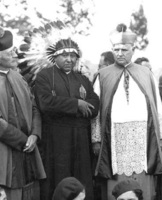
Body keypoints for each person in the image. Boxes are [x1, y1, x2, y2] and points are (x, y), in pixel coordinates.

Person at [91, 23, 162, 200]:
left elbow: (157, 107)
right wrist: (96, 138)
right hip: (114, 135)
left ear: (133, 49)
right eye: (116, 49)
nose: (120, 53)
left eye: (124, 49)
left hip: (142, 135)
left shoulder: (146, 73)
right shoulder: (103, 75)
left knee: (143, 177)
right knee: (116, 177)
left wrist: (161, 135)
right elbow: (96, 111)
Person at [34, 37, 99, 200]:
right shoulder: (44, 76)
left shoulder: (83, 79)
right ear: (55, 57)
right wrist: (77, 105)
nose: (69, 59)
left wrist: (69, 108)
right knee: (58, 178)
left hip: (80, 138)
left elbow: (95, 105)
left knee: (82, 177)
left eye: (73, 55)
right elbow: (45, 103)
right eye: (64, 55)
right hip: (56, 137)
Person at [0, 27, 46, 200]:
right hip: (5, 153)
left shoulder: (18, 77)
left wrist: (34, 134)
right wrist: (23, 141)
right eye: (10, 51)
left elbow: (34, 107)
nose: (15, 54)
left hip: (28, 150)